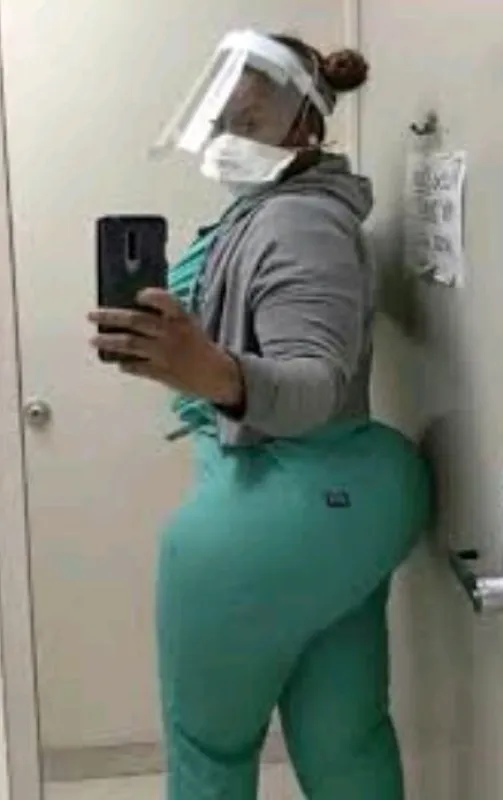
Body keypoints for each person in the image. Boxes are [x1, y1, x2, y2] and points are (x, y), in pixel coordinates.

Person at [88, 29, 431, 800]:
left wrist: (209, 371)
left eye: (247, 121)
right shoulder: (287, 209)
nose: (224, 140)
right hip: (351, 494)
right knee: (346, 741)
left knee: (209, 752)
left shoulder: (294, 221)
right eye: (219, 121)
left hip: (279, 495)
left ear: (303, 126)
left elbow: (310, 383)